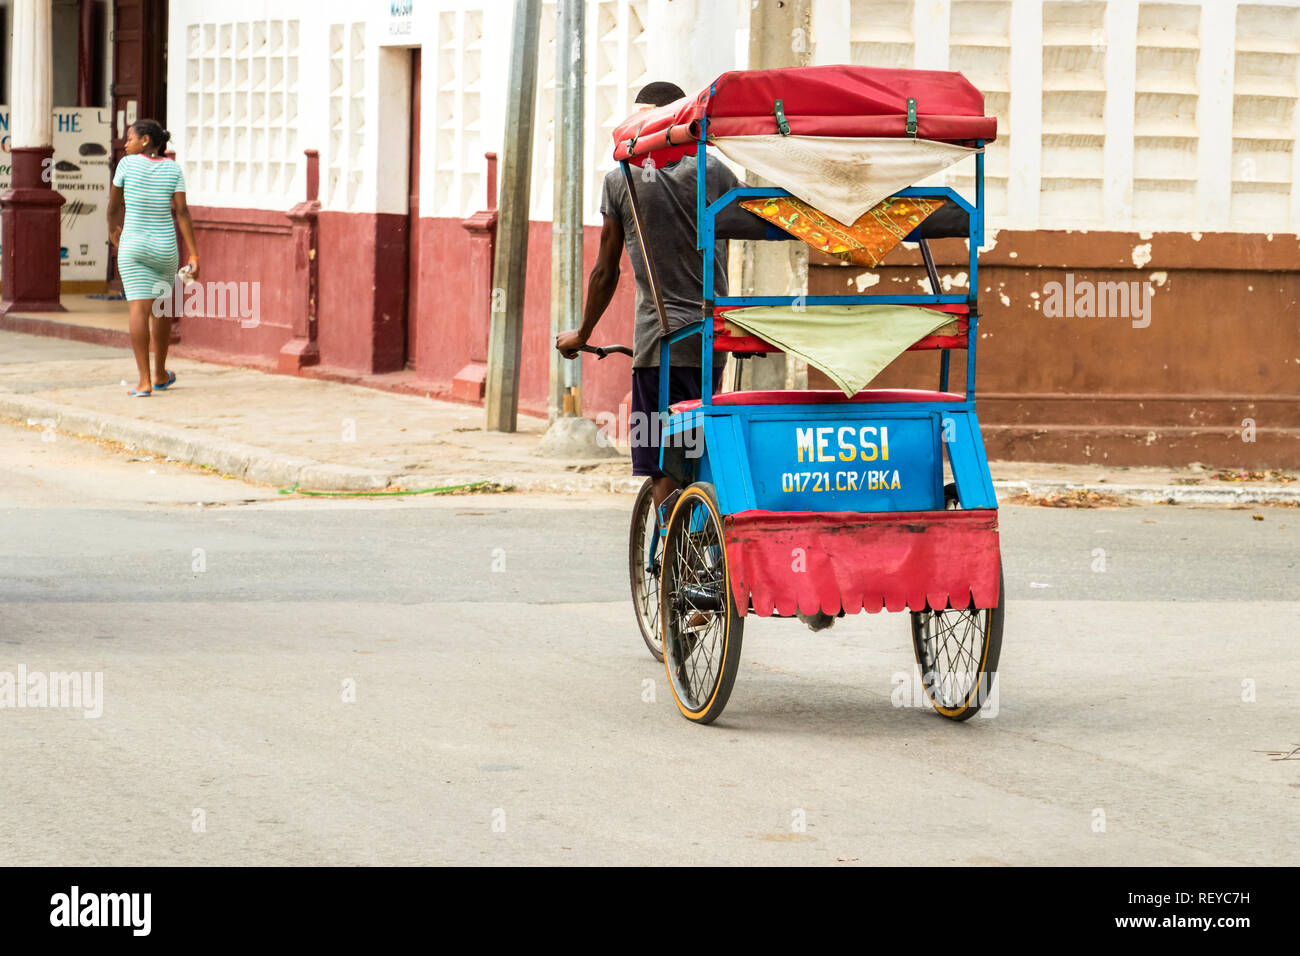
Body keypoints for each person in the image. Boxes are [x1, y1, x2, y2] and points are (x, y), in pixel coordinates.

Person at [555, 81, 737, 514]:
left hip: (660, 345)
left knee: (663, 463)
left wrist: (582, 334)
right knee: (697, 450)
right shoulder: (714, 171)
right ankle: (702, 549)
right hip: (712, 340)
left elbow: (605, 270)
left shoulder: (621, 180)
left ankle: (674, 569)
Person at [107, 119, 199, 396]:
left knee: (138, 309)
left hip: (133, 245)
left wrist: (114, 230)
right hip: (165, 247)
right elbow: (182, 213)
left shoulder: (126, 165)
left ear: (145, 140)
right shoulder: (173, 169)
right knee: (161, 310)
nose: (126, 144)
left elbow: (113, 206)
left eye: (130, 138)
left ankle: (144, 381)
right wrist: (194, 253)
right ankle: (160, 373)